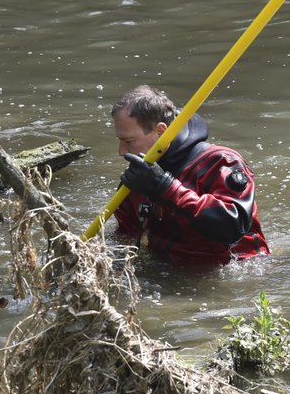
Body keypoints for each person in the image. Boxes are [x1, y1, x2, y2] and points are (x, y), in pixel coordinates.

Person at [111, 84, 269, 266]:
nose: (121, 151)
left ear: (161, 131)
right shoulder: (140, 176)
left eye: (128, 141)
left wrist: (164, 187)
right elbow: (125, 235)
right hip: (170, 273)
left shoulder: (221, 162)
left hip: (236, 269)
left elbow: (232, 227)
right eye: (119, 140)